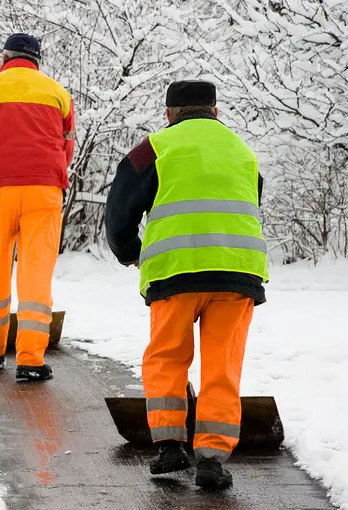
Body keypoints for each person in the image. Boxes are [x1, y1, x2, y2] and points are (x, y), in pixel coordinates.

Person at [105, 80, 268, 489]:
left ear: (168, 114)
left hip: (175, 271)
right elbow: (251, 199)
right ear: (215, 111)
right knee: (222, 364)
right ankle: (212, 458)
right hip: (237, 272)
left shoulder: (154, 148)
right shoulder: (242, 151)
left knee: (167, 357)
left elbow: (120, 209)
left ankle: (170, 446)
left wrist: (129, 250)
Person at [0, 33, 76, 381]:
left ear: (4, 57)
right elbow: (67, 147)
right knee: (36, 273)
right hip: (45, 191)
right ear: (37, 60)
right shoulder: (58, 93)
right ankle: (30, 359)